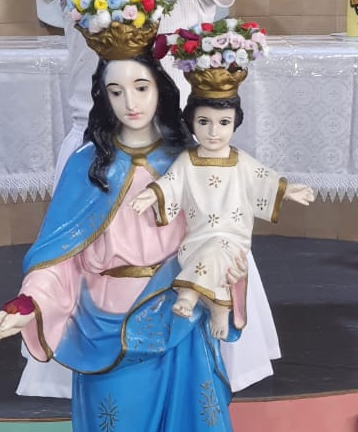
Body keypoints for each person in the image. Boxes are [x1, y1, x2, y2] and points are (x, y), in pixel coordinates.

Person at [0, 19, 250, 432]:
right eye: (115, 90)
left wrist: (218, 275)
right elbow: (58, 261)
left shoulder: (188, 161)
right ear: (101, 97)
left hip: (177, 332)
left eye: (142, 87)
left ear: (162, 88)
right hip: (105, 342)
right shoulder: (88, 169)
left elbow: (224, 233)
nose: (131, 102)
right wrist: (25, 305)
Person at [20, 0, 280, 405]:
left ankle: (194, 405)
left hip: (182, 164)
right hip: (100, 167)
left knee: (194, 287)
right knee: (98, 287)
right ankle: (105, 398)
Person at [133, 76, 314, 339]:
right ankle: (220, 305)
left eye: (224, 123)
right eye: (204, 122)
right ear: (192, 122)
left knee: (219, 249)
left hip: (232, 236)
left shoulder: (240, 161)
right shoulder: (187, 161)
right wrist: (152, 194)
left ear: (235, 123)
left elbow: (264, 179)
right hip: (197, 237)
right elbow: (170, 183)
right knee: (211, 252)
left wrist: (286, 190)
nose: (213, 132)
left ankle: (189, 293)